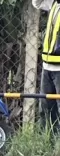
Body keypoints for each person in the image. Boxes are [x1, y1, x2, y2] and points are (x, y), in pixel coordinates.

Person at [33, 0, 60, 130]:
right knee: (46, 109)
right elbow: (37, 3)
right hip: (48, 66)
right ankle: (48, 143)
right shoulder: (55, 3)